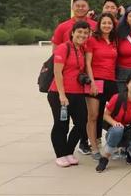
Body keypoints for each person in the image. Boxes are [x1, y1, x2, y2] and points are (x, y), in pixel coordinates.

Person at [47, 20, 91, 167]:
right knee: (61, 125)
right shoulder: (63, 48)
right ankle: (60, 154)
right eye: (79, 32)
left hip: (77, 93)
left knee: (81, 123)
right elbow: (57, 72)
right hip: (60, 93)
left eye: (85, 33)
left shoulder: (82, 49)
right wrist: (62, 94)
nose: (82, 35)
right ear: (73, 33)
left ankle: (68, 151)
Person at [95, 72, 131, 172]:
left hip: (129, 131)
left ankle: (130, 152)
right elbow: (105, 115)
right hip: (114, 132)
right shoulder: (117, 98)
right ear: (127, 84)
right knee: (118, 129)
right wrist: (114, 123)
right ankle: (104, 158)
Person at [84, 13, 119, 160]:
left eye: (109, 23)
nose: (106, 26)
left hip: (111, 81)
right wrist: (91, 82)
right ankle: (94, 147)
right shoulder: (92, 40)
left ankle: (113, 145)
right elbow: (87, 63)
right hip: (95, 81)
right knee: (93, 116)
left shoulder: (114, 41)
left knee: (115, 114)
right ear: (99, 24)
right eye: (104, 23)